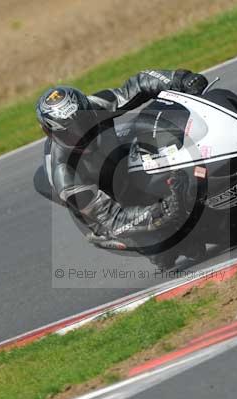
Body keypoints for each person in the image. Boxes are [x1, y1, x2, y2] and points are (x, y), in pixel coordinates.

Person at [33, 70, 209, 266]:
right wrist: (164, 211)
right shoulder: (64, 175)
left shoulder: (95, 105)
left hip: (118, 162)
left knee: (154, 132)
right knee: (165, 248)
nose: (82, 134)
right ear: (50, 134)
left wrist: (180, 79)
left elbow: (138, 86)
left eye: (84, 123)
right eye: (70, 134)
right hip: (104, 211)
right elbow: (114, 220)